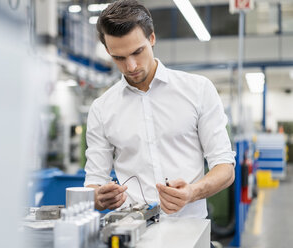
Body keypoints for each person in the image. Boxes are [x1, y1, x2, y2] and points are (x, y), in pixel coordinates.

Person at [84, 0, 235, 219]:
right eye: (119, 58)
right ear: (108, 51)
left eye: (138, 52)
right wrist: (97, 197)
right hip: (132, 232)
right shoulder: (101, 109)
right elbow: (93, 183)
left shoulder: (198, 90)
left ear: (152, 38)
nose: (131, 66)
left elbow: (225, 168)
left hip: (189, 231)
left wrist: (192, 192)